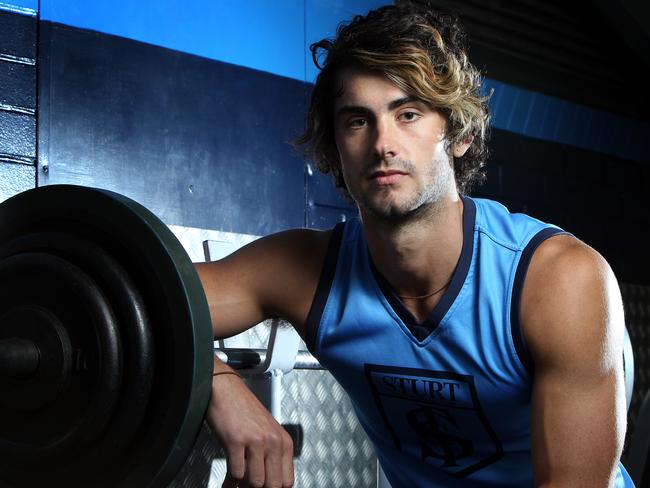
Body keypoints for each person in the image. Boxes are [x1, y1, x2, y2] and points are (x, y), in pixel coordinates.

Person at [196, 3, 634, 487]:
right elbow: (145, 299)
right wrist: (218, 386)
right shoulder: (304, 271)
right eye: (358, 120)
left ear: (459, 135)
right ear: (335, 146)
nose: (383, 143)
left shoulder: (555, 279)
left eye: (408, 114)